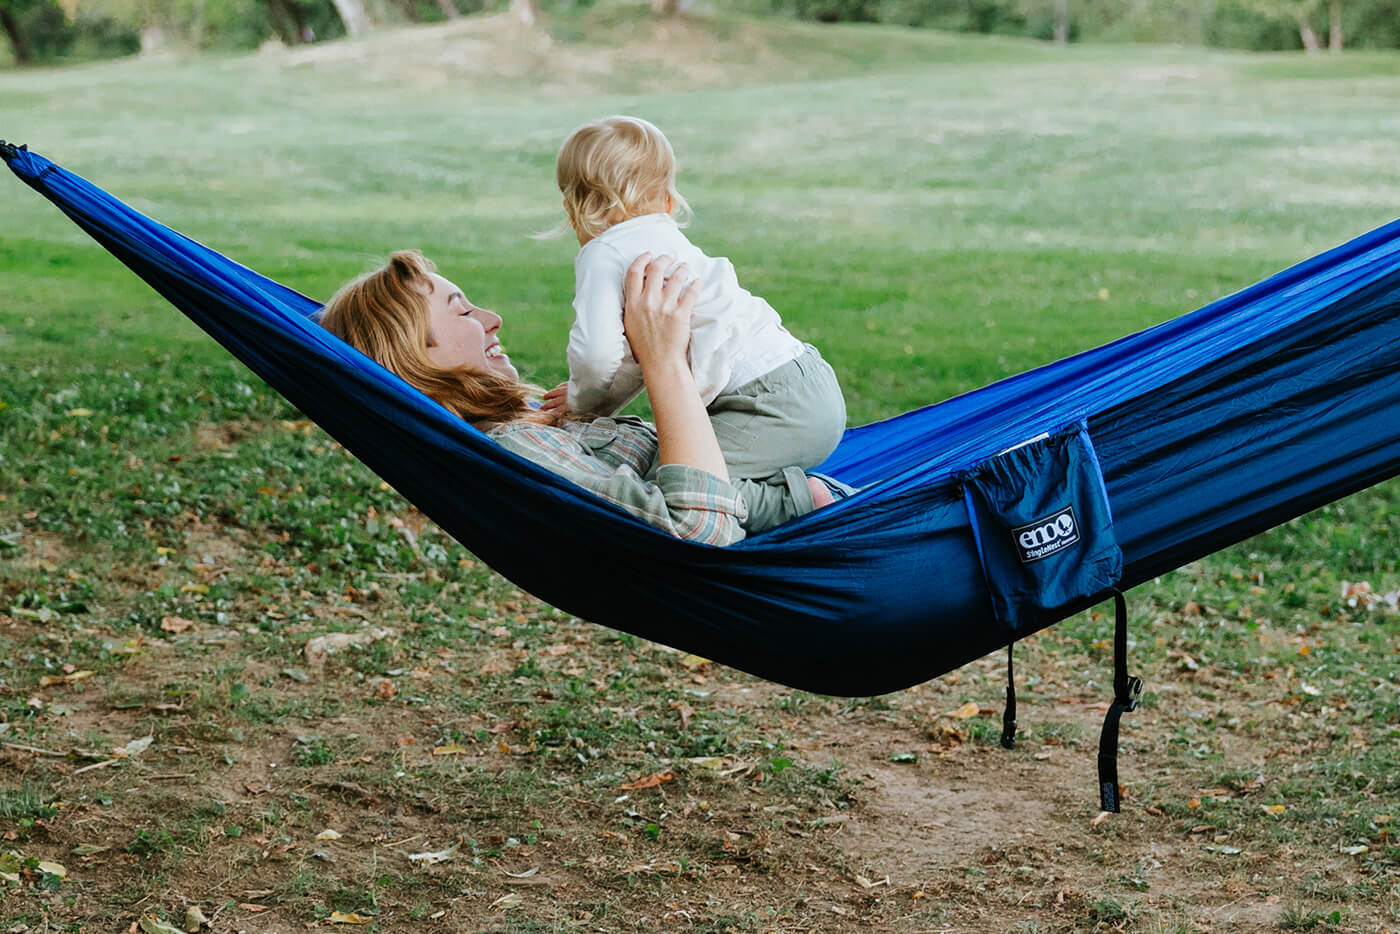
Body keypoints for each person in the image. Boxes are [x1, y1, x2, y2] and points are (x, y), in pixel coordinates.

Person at [317, 250, 836, 546]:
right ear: (416, 357)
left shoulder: (538, 423)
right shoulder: (517, 448)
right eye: (461, 312)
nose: (491, 318)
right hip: (822, 539)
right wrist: (663, 361)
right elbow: (696, 527)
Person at [543, 115, 847, 494]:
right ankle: (790, 495)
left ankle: (803, 503)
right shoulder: (665, 241)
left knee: (678, 489)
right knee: (689, 470)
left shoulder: (603, 252)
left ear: (574, 209)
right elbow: (644, 356)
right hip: (806, 380)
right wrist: (591, 405)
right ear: (668, 200)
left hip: (765, 405)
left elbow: (597, 355)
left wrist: (578, 399)